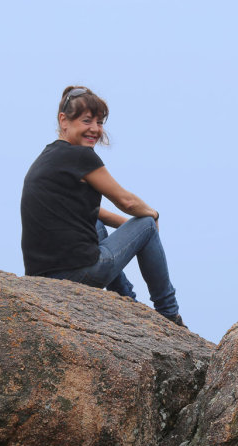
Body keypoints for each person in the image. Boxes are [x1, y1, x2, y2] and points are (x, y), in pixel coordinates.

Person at [20, 86, 185, 327]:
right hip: (79, 272)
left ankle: (125, 298)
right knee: (147, 224)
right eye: (87, 121)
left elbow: (85, 212)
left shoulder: (48, 157)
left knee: (98, 223)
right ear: (63, 120)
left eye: (99, 122)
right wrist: (151, 217)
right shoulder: (80, 157)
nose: (95, 129)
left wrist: (129, 229)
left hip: (44, 277)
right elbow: (126, 201)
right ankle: (169, 314)